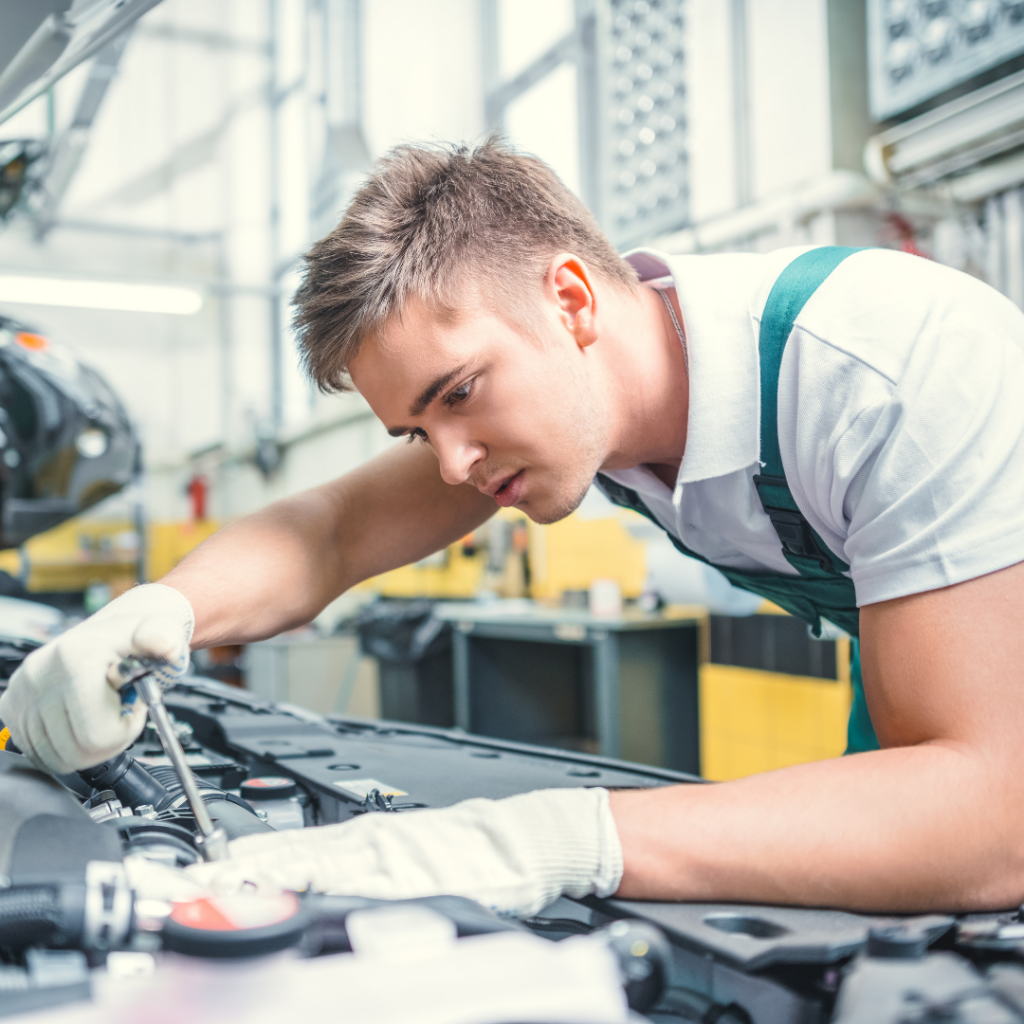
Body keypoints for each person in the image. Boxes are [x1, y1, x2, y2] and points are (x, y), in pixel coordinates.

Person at [4, 138, 1024, 917]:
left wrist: (545, 838)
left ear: (570, 298)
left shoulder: (885, 372)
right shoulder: (581, 402)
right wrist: (152, 611)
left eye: (458, 393)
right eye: (417, 427)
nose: (449, 463)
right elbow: (332, 531)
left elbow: (988, 815)